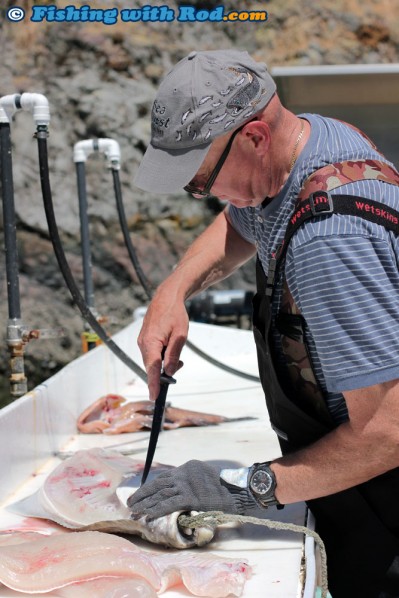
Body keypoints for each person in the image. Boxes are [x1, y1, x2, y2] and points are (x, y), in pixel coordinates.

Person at [128, 49, 399, 598]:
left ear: (253, 136)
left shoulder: (331, 240)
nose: (201, 197)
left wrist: (243, 488)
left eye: (201, 182)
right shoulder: (309, 145)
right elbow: (241, 218)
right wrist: (172, 291)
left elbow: (387, 435)